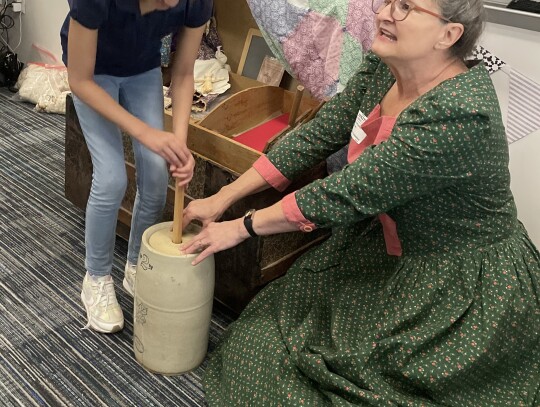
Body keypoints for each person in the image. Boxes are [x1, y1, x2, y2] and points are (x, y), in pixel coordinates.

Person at [180, 0, 540, 404]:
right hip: (385, 247)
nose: (384, 13)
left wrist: (240, 226)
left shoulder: (459, 114)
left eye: (405, 7)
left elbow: (346, 193)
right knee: (263, 336)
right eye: (387, 2)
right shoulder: (382, 71)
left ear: (448, 35)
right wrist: (224, 196)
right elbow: (318, 136)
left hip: (453, 282)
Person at [60, 0, 212, 333]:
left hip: (141, 70)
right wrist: (145, 133)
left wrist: (179, 144)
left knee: (158, 172)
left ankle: (136, 265)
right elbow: (79, 80)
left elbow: (184, 72)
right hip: (92, 73)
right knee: (112, 177)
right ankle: (96, 278)